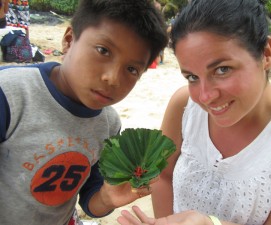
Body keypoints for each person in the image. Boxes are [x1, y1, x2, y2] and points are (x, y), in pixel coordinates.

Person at [117, 0, 271, 225]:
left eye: (222, 70)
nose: (205, 96)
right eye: (192, 77)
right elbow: (163, 175)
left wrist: (209, 223)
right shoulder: (184, 106)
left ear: (266, 54)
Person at [0, 0, 168, 224]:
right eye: (103, 51)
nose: (112, 78)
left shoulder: (109, 124)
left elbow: (90, 200)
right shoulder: (10, 94)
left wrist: (107, 198)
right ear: (69, 40)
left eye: (132, 69)